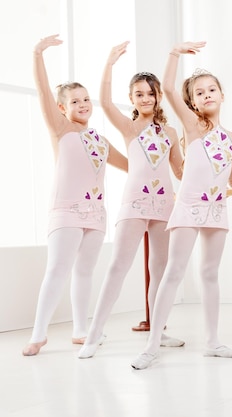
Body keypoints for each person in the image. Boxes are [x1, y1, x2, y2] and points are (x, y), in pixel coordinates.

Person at [130, 41, 232, 370]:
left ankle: (213, 341)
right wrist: (174, 54)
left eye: (211, 89)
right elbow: (169, 87)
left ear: (222, 94)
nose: (206, 95)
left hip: (216, 209)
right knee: (173, 272)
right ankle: (153, 343)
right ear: (192, 103)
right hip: (188, 207)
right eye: (199, 93)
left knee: (210, 274)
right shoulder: (192, 127)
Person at [78, 42, 187, 359]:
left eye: (150, 93)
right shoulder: (128, 126)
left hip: (165, 205)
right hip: (135, 203)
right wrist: (109, 63)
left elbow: (179, 168)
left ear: (158, 96)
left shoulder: (169, 131)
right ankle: (94, 334)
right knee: (117, 267)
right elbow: (104, 103)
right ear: (131, 99)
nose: (145, 99)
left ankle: (158, 329)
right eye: (139, 94)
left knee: (160, 270)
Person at [23, 35, 127, 356]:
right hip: (66, 210)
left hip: (96, 214)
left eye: (86, 100)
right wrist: (38, 53)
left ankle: (81, 329)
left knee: (84, 271)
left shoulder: (99, 138)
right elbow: (42, 90)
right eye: (75, 101)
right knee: (57, 269)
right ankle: (38, 334)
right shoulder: (61, 128)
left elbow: (129, 165)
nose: (83, 105)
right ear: (62, 108)